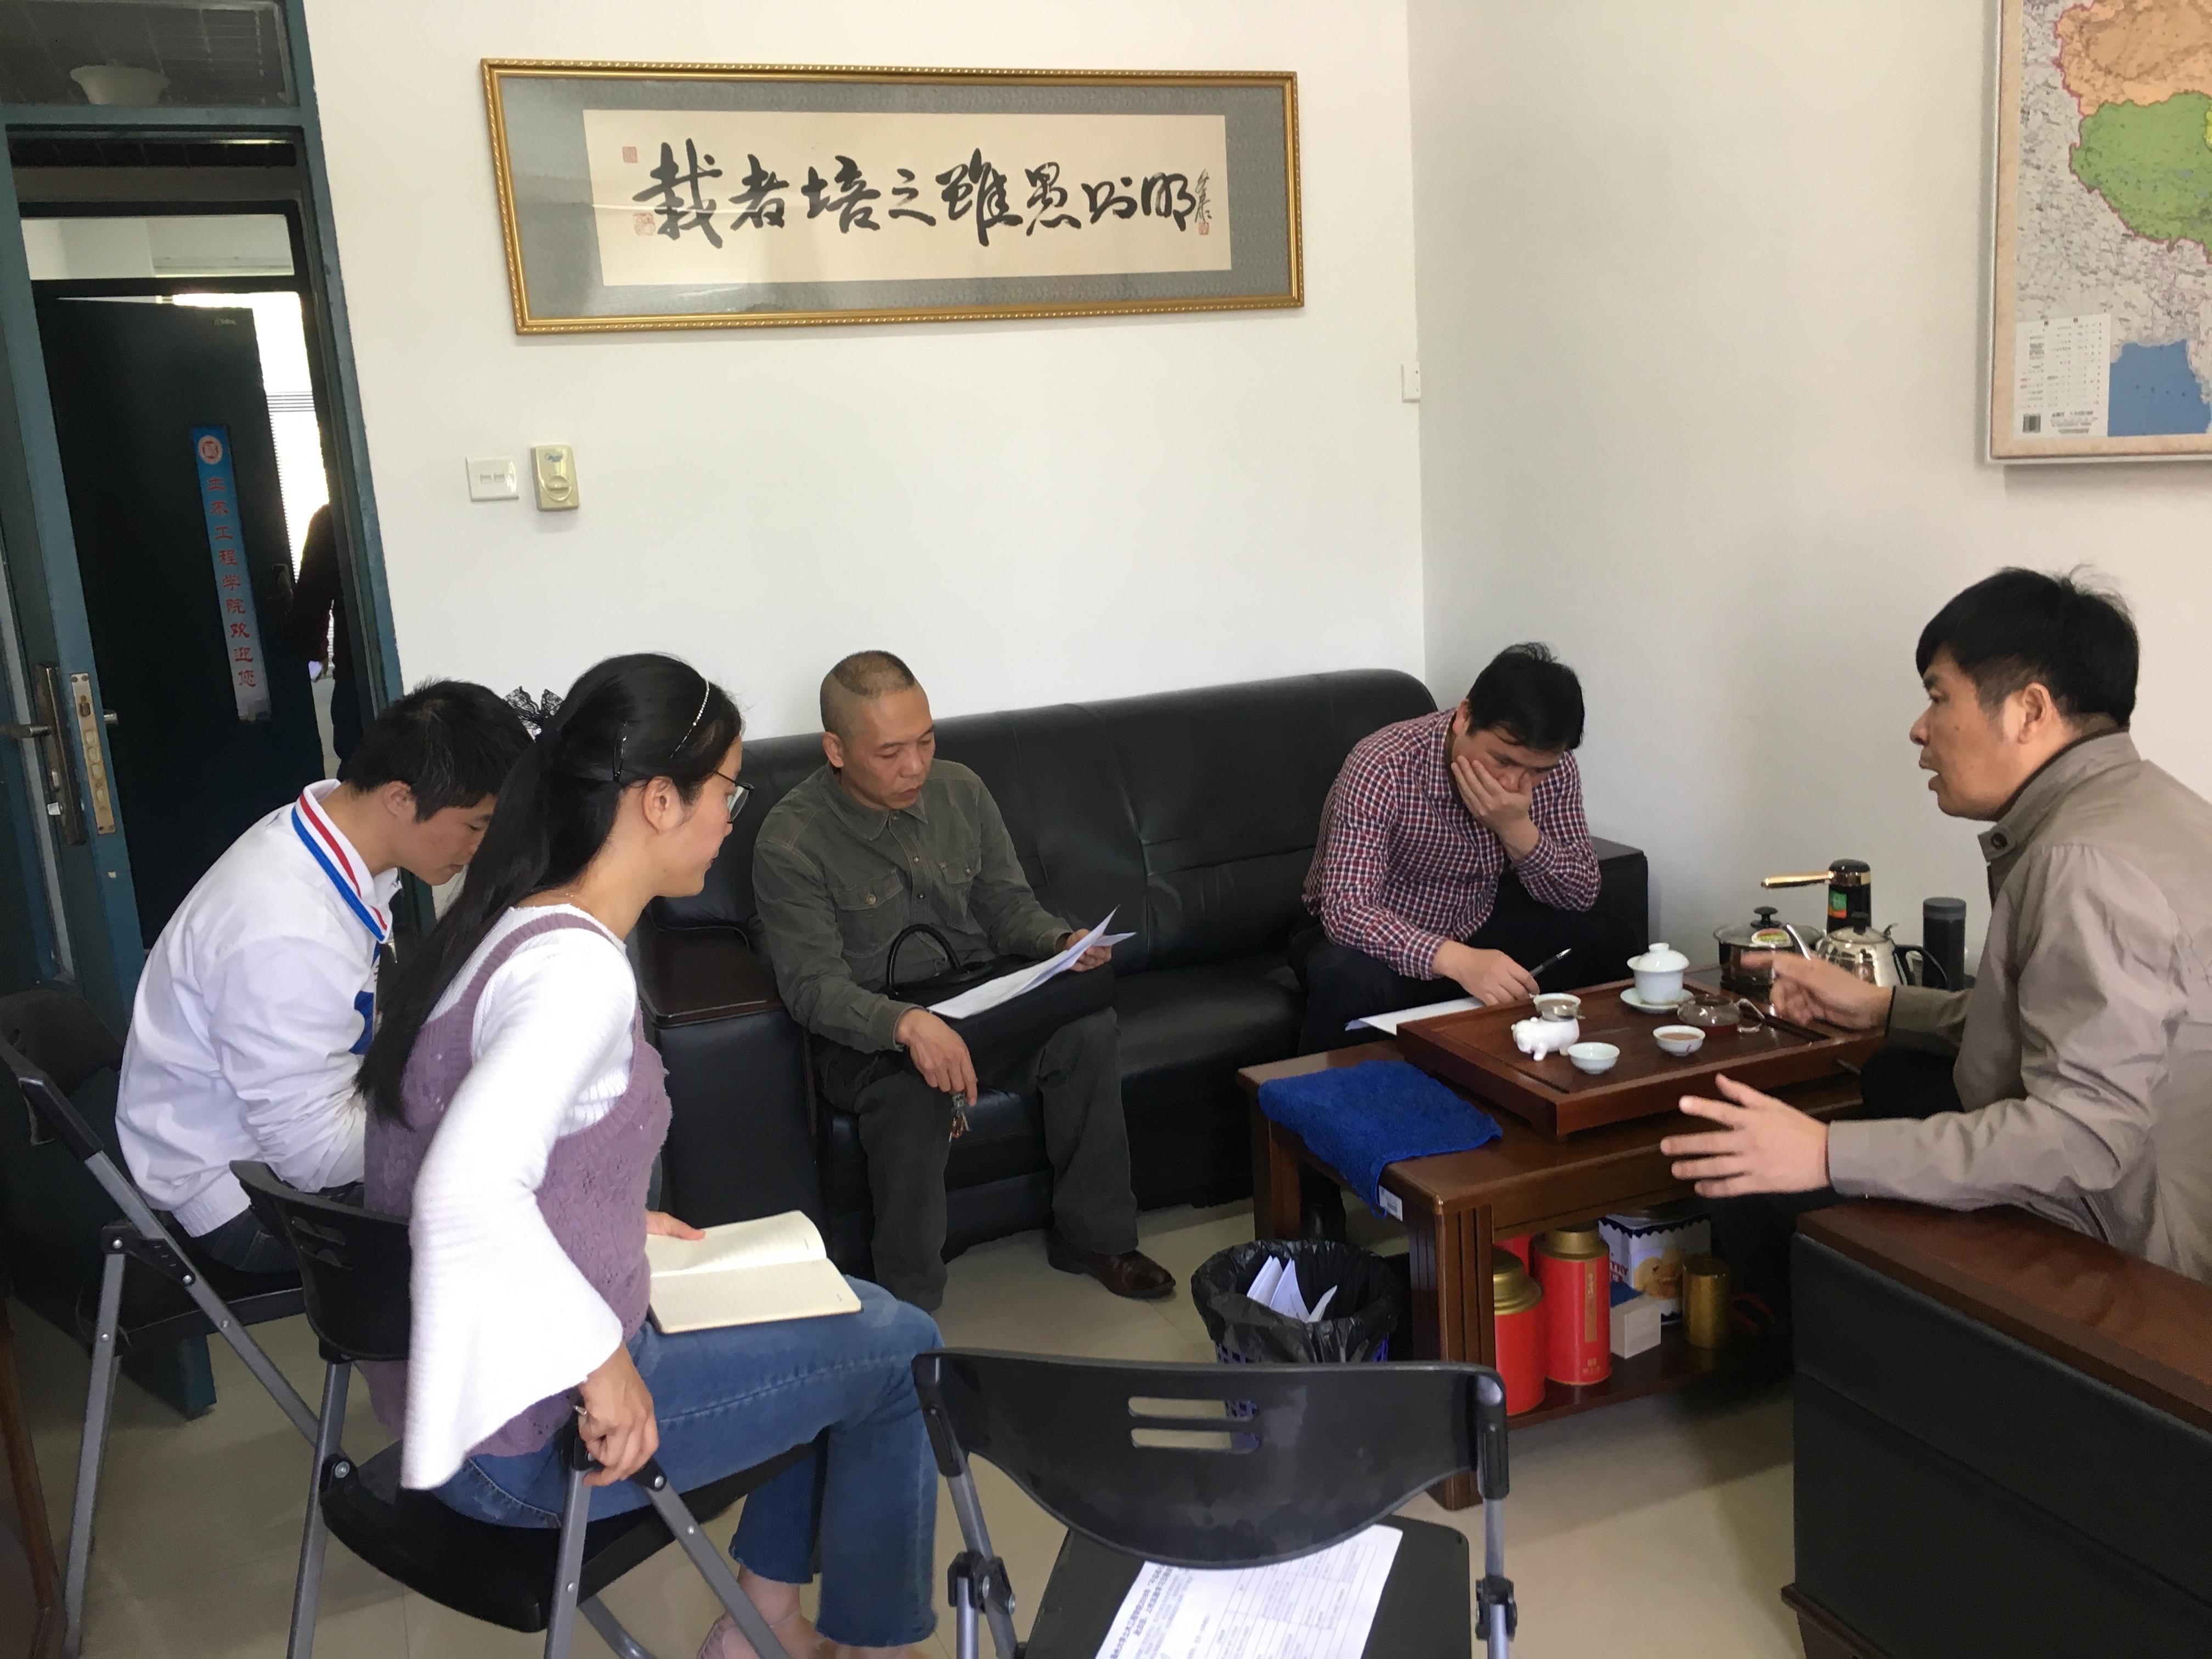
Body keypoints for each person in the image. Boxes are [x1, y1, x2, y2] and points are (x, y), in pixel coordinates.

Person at [358, 654, 940, 1659]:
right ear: (659, 800)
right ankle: (853, 1643)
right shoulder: (574, 971)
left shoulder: (507, 924)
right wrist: (604, 1364)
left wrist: (609, 1217)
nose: (731, 819)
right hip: (528, 1434)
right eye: (728, 792)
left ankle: (765, 1627)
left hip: (467, 1400)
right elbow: (463, 1190)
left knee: (833, 1309)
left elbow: (493, 1148)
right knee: (903, 1347)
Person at [1668, 569, 2212, 1321]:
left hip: (2133, 1237)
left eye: (1938, 696)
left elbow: (2084, 1137)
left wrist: (1823, 1154)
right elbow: (2074, 1023)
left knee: (1752, 1187)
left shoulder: (2083, 866)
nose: (1920, 729)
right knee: (1897, 1073)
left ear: (2029, 711)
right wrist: (1886, 1008)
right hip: (2161, 1177)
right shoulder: (2159, 809)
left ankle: (1854, 1373)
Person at [753, 651, 1172, 1312]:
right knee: (913, 1096)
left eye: (925, 741)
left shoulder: (962, 790)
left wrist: (1057, 943)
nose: (915, 766)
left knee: (1087, 1032)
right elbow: (813, 989)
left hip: (981, 1002)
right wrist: (906, 1025)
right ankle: (909, 1307)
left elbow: (1007, 907)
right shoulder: (791, 842)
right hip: (870, 1032)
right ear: (836, 750)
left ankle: (1094, 1239)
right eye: (890, 752)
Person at [116, 680, 530, 1273]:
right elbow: (314, 1158)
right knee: (517, 1202)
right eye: (476, 825)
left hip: (272, 1143)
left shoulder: (322, 841)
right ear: (399, 798)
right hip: (248, 1199)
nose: (483, 847)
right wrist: (467, 1113)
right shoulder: (287, 927)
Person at [1293, 643, 1628, 1056]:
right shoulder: (1384, 763)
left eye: (1537, 770)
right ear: (1464, 716)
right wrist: (1461, 962)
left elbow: (1580, 894)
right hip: (1367, 933)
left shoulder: (1554, 770)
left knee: (1607, 938)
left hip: (1473, 915)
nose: (1513, 783)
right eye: (1502, 760)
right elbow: (1348, 910)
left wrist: (1515, 829)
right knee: (1351, 983)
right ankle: (1308, 1095)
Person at [282, 505, 364, 762]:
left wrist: (315, 653)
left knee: (357, 763)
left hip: (355, 671)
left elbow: (311, 601)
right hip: (425, 661)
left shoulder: (332, 518)